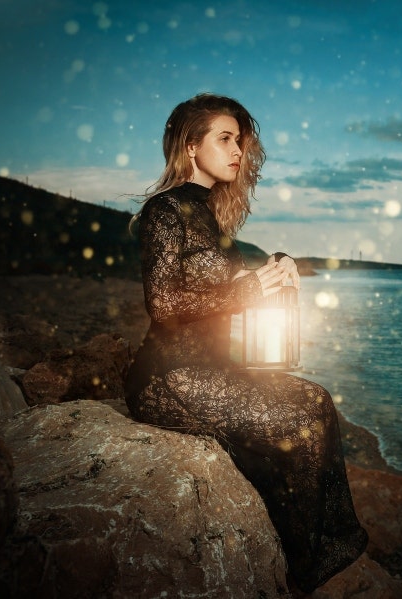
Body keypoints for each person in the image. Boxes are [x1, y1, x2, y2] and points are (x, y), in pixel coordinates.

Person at [124, 93, 367, 593]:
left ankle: (314, 552)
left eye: (241, 142)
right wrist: (254, 285)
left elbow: (217, 287)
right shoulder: (164, 211)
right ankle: (303, 569)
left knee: (316, 400)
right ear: (191, 147)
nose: (238, 151)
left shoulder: (207, 216)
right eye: (225, 138)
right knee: (303, 416)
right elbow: (166, 305)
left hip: (210, 369)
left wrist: (278, 266)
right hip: (170, 377)